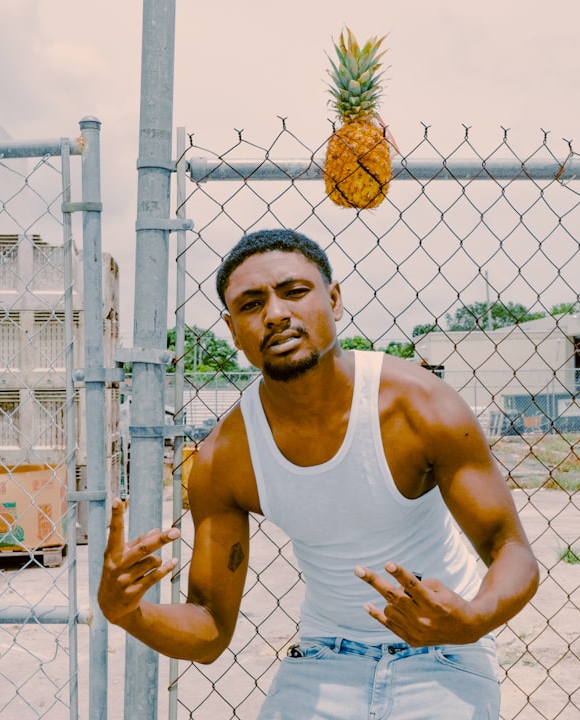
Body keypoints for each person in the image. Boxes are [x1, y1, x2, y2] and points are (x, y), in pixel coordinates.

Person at [98, 229, 539, 719]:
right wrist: (130, 614)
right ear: (232, 329)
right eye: (250, 305)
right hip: (324, 657)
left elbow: (512, 550)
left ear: (333, 299)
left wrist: (472, 620)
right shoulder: (226, 455)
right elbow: (209, 630)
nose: (276, 314)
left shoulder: (419, 406)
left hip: (444, 648)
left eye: (294, 292)